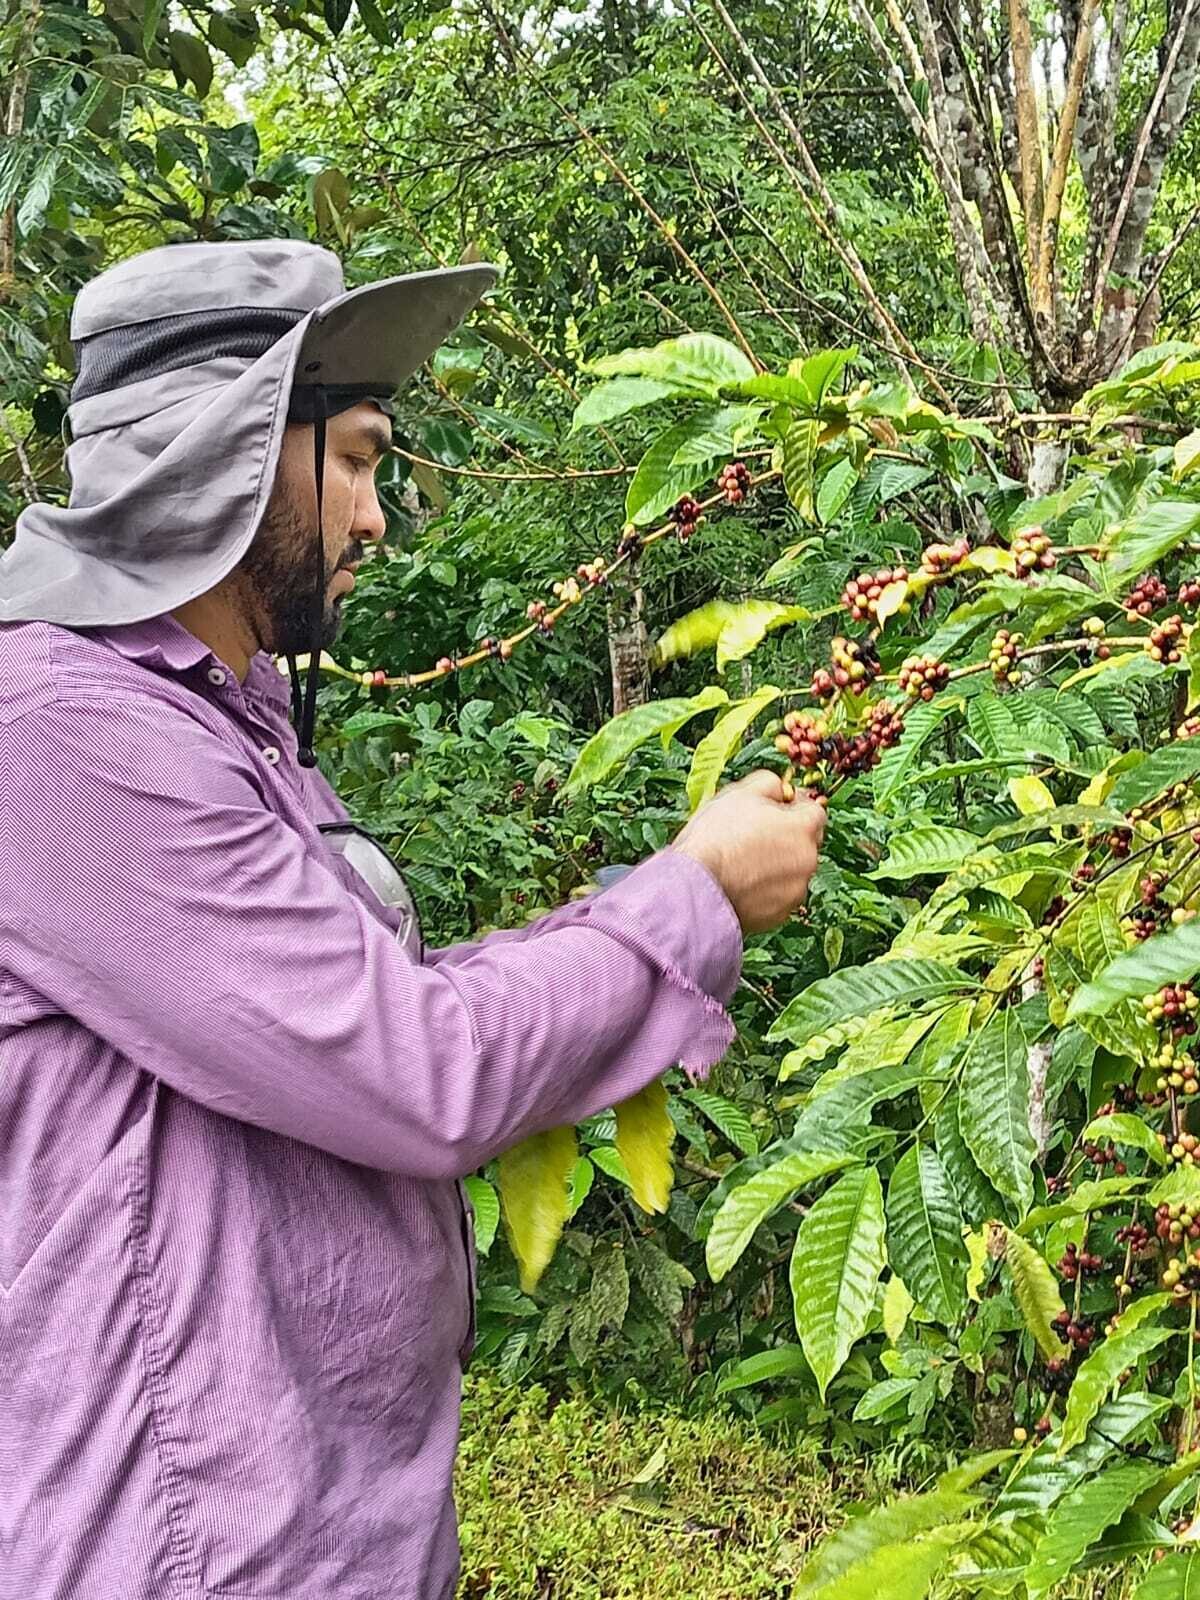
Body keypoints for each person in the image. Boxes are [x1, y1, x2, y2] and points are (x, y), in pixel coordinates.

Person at [0, 239, 826, 1599]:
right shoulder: (69, 733)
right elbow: (422, 1068)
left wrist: (641, 904)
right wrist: (692, 901)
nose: (378, 518)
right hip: (186, 1552)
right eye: (359, 459)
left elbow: (387, 1001)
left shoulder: (219, 725)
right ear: (225, 452)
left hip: (325, 1526)